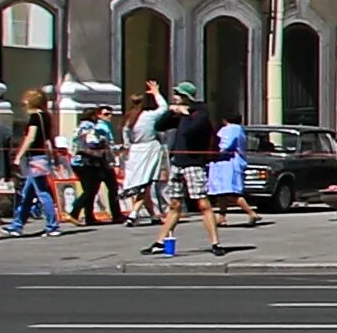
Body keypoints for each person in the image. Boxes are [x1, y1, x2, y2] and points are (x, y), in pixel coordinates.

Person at [146, 85, 224, 257]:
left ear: (186, 96)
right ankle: (160, 242)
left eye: (178, 94)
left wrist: (185, 114)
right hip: (177, 163)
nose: (175, 96)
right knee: (175, 204)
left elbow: (190, 131)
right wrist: (170, 112)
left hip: (194, 164)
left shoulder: (200, 112)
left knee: (203, 203)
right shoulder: (180, 113)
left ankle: (215, 243)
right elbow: (159, 126)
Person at [8, 89, 59, 236]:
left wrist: (19, 156)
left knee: (42, 192)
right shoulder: (47, 117)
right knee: (28, 192)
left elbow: (30, 138)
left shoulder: (35, 117)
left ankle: (52, 225)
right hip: (42, 157)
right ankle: (17, 225)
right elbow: (49, 139)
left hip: (34, 158)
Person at [120, 82, 167, 226]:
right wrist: (156, 93)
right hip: (149, 149)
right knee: (146, 184)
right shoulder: (148, 116)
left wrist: (127, 148)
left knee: (143, 182)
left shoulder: (128, 119)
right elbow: (164, 108)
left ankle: (153, 215)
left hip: (135, 151)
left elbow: (126, 138)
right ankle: (133, 213)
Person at [68, 99, 115, 228]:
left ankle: (89, 216)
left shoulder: (79, 127)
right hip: (86, 161)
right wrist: (102, 142)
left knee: (89, 189)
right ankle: (74, 211)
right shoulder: (89, 127)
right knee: (90, 189)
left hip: (77, 161)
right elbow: (92, 142)